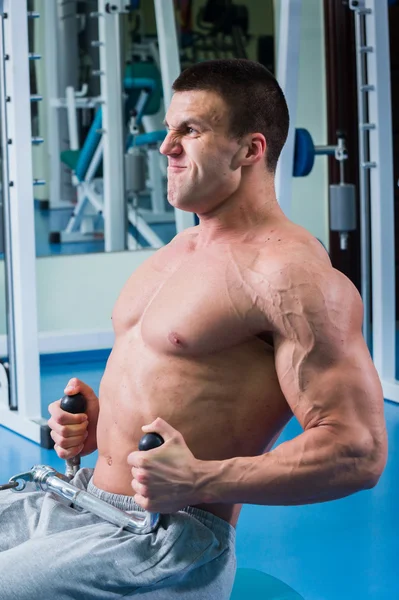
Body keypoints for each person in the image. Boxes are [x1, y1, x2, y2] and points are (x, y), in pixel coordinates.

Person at [0, 59, 387, 599]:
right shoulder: (177, 252)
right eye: (168, 129)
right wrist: (96, 426)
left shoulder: (291, 277)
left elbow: (358, 450)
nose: (165, 148)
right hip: (76, 497)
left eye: (191, 131)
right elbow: (178, 386)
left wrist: (199, 479)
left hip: (162, 542)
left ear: (250, 150)